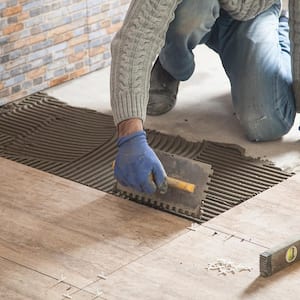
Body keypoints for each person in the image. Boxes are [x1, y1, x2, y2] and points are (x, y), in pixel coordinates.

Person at [110, 0, 296, 195]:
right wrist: (130, 137)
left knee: (267, 124)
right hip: (194, 6)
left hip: (254, 11)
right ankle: (171, 63)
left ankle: (281, 33)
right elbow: (136, 35)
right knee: (194, 8)